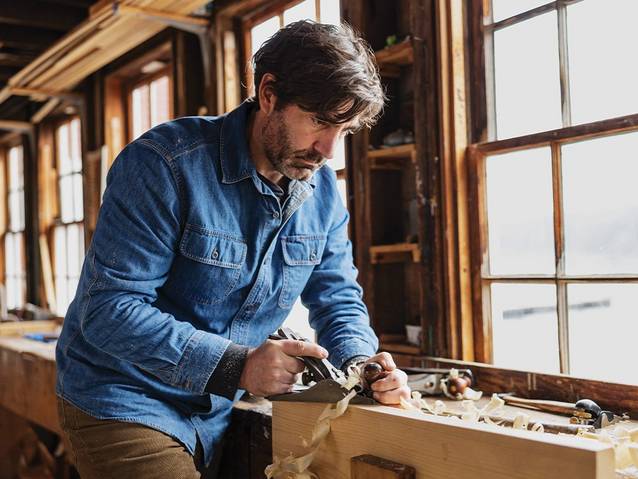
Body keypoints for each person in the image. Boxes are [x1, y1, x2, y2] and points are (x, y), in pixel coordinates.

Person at [55, 20, 410, 478]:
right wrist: (237, 365)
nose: (329, 150)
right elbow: (108, 310)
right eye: (320, 121)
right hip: (124, 395)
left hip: (219, 404)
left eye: (345, 128)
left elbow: (338, 298)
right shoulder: (164, 164)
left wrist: (362, 366)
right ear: (269, 94)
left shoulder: (320, 190)